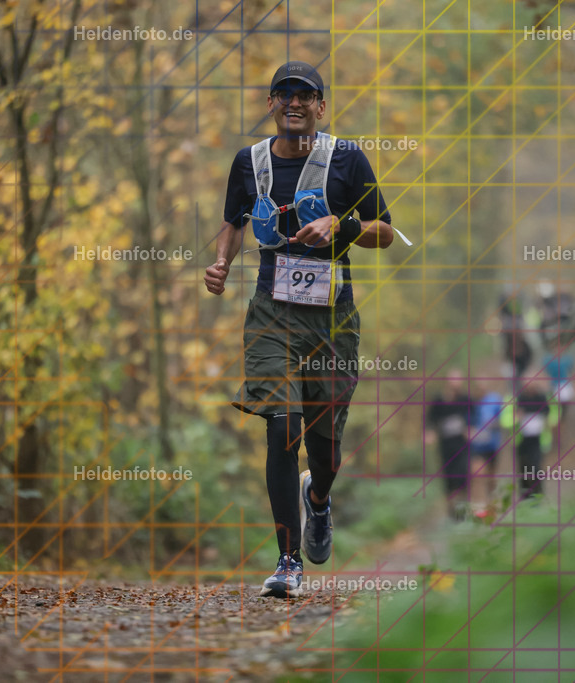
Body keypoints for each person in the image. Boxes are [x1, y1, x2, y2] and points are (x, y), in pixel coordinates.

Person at [204, 61, 396, 598]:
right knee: (281, 426)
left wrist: (344, 223)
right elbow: (234, 221)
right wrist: (221, 262)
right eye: (283, 94)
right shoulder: (250, 162)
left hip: (333, 317)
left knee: (325, 446)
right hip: (271, 311)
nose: (294, 102)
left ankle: (319, 498)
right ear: (271, 104)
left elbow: (385, 231)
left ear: (320, 106)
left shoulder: (347, 159)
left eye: (305, 95)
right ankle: (288, 561)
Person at [500, 376, 560, 500]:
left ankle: (538, 499)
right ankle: (525, 500)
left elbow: (555, 414)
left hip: (539, 441)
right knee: (523, 471)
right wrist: (517, 417)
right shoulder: (514, 399)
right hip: (520, 442)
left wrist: (548, 421)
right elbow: (504, 421)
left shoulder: (545, 398)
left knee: (536, 468)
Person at [426, 369, 473, 519]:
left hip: (462, 445)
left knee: (462, 476)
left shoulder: (466, 399)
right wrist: (429, 432)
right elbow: (430, 419)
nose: (456, 383)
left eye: (458, 380)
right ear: (447, 381)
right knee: (449, 479)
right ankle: (451, 512)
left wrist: (471, 428)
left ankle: (462, 510)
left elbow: (474, 416)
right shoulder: (439, 400)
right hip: (446, 445)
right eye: (453, 379)